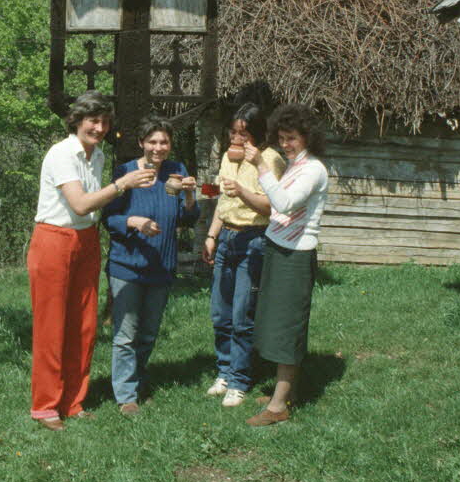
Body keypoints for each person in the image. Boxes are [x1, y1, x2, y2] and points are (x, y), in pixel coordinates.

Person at [27, 92, 156, 431]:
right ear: (77, 121)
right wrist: (122, 184)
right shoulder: (61, 154)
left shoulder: (96, 155)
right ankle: (45, 406)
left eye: (104, 122)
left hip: (86, 240)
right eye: (92, 121)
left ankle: (73, 400)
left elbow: (89, 213)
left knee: (84, 324)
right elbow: (81, 204)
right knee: (52, 325)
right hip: (55, 239)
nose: (99, 128)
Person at [240, 103, 329, 426]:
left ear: (308, 137)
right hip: (280, 248)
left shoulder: (314, 169)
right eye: (281, 138)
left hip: (296, 255)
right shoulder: (296, 165)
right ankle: (285, 390)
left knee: (287, 327)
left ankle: (278, 407)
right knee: (275, 322)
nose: (286, 144)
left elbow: (285, 202)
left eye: (292, 138)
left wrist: (262, 167)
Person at [103, 116, 199, 414]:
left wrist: (190, 195)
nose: (159, 147)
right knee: (126, 333)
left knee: (148, 332)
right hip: (128, 265)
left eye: (164, 142)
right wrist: (134, 221)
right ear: (142, 143)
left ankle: (137, 380)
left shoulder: (176, 171)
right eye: (153, 141)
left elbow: (186, 219)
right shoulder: (126, 173)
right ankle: (125, 396)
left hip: (162, 265)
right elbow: (108, 218)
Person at [201, 103, 287, 407]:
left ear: (258, 134)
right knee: (219, 313)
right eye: (234, 132)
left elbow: (272, 207)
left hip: (254, 239)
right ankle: (224, 371)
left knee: (241, 315)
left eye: (245, 134)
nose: (238, 139)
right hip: (226, 238)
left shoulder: (271, 160)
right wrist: (212, 235)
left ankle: (239, 380)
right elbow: (223, 202)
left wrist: (243, 192)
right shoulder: (227, 156)